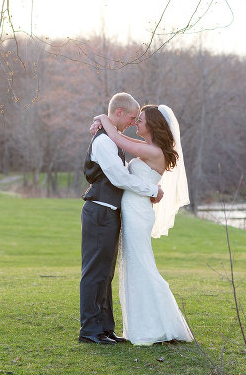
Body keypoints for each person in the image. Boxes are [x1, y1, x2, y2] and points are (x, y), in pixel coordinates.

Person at [91, 104, 194, 346]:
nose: (137, 122)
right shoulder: (148, 148)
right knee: (136, 267)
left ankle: (164, 325)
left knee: (143, 266)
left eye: (141, 120)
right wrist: (104, 123)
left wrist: (102, 118)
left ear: (153, 125)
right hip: (134, 211)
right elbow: (121, 137)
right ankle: (144, 325)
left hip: (138, 214)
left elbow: (116, 137)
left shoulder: (154, 151)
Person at [79, 93, 164, 345]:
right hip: (99, 212)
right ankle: (90, 330)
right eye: (130, 117)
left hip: (109, 212)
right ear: (118, 113)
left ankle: (105, 329)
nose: (132, 121)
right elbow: (119, 178)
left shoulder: (112, 139)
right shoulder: (104, 142)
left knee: (106, 273)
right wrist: (151, 190)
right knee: (95, 272)